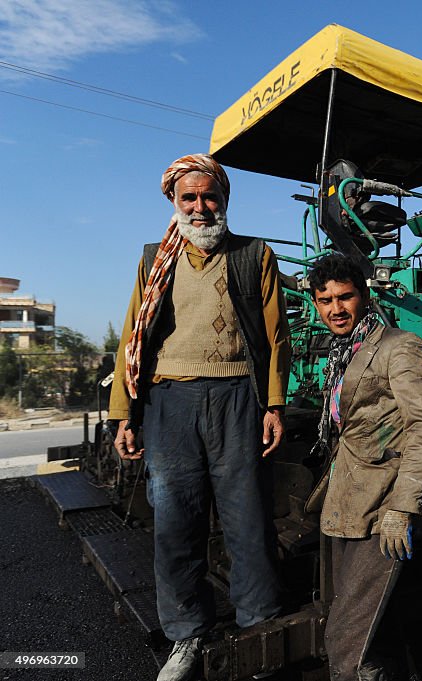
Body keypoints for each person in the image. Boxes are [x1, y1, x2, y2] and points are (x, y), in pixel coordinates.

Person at [108, 153, 290, 681]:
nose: (200, 206)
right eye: (189, 197)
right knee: (175, 524)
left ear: (224, 199)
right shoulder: (153, 259)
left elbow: (276, 338)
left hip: (237, 399)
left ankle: (258, 627)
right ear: (174, 201)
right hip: (169, 402)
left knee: (247, 522)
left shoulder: (254, 254)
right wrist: (124, 414)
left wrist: (274, 405)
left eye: (209, 196)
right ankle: (185, 634)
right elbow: (132, 336)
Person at [305, 253, 422, 681]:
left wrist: (402, 507)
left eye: (344, 297)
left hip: (382, 508)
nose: (336, 308)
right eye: (325, 300)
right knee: (368, 631)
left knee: (346, 641)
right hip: (344, 502)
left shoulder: (398, 346)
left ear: (363, 297)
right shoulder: (342, 352)